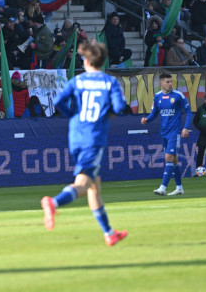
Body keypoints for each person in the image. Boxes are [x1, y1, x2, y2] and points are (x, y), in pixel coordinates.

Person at [41, 40, 129, 247]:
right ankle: (53, 202)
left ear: (87, 61)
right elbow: (119, 106)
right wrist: (106, 114)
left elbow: (59, 102)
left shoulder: (77, 81)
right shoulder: (109, 82)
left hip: (76, 134)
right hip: (93, 136)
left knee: (94, 186)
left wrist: (74, 116)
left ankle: (109, 233)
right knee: (83, 183)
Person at [142, 72, 193, 196]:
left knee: (168, 158)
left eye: (171, 82)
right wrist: (147, 119)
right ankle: (179, 187)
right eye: (167, 82)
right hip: (164, 132)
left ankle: (163, 188)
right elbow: (154, 113)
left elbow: (189, 111)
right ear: (161, 83)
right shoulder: (157, 96)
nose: (170, 84)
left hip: (174, 132)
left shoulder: (178, 95)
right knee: (174, 160)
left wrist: (186, 127)